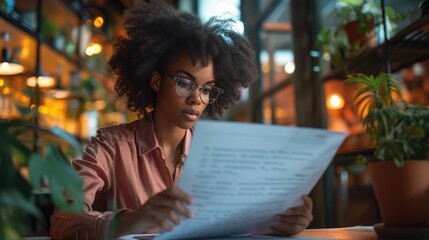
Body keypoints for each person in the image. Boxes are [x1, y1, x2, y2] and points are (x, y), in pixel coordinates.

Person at [50, 1, 313, 239]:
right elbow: (63, 218)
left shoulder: (217, 154)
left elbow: (234, 225)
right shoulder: (112, 145)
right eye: (185, 83)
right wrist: (127, 222)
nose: (197, 99)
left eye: (207, 89)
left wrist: (281, 223)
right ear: (155, 81)